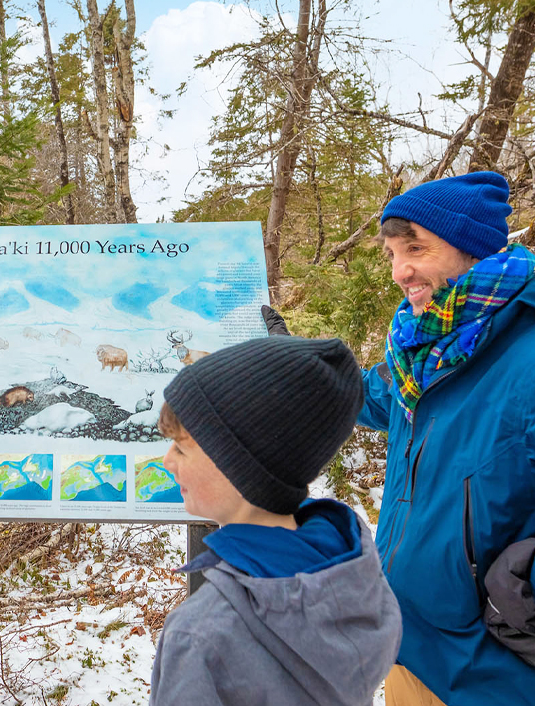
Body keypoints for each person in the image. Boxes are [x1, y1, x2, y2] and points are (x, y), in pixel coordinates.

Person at [358, 171, 535, 705]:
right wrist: (298, 364)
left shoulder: (525, 349)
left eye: (416, 248)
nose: (400, 271)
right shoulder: (418, 350)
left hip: (495, 672)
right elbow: (371, 397)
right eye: (391, 253)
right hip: (411, 647)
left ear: (473, 249)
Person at [149, 335, 402, 706]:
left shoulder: (199, 635)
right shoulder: (354, 583)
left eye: (182, 447)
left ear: (241, 467)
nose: (168, 461)